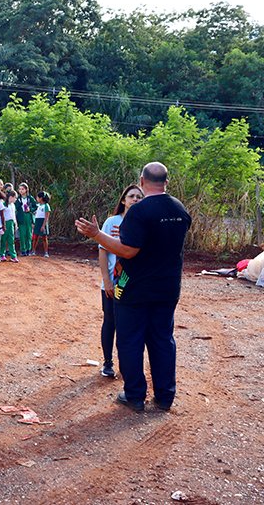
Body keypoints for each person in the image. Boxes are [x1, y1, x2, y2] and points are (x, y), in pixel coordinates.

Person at [76, 162, 191, 412]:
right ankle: (164, 397)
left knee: (130, 341)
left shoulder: (139, 212)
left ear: (141, 180)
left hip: (135, 290)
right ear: (167, 182)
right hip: (168, 288)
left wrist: (97, 234)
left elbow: (128, 251)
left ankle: (135, 395)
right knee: (162, 340)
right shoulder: (180, 209)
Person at [97, 185, 144, 379]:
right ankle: (108, 362)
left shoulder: (144, 224)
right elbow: (102, 250)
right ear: (123, 200)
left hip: (135, 284)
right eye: (131, 196)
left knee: (132, 327)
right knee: (110, 321)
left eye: (139, 197)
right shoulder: (112, 222)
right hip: (113, 283)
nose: (135, 199)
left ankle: (128, 367)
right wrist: (107, 281)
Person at [16, 183, 37, 256]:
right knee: (22, 234)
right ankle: (23, 249)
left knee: (29, 234)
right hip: (21, 217)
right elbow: (16, 207)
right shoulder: (18, 199)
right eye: (20, 189)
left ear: (26, 190)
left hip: (28, 216)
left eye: (23, 189)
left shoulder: (30, 198)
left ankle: (29, 249)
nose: (21, 191)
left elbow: (35, 206)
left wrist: (30, 209)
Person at [1, 189, 19, 263]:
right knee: (3, 239)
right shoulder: (4, 204)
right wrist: (3, 225)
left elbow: (13, 215)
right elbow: (2, 215)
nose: (16, 199)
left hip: (11, 223)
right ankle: (2, 254)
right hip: (5, 223)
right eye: (15, 197)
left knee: (11, 239)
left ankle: (13, 256)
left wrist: (15, 224)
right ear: (11, 197)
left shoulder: (13, 205)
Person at [32, 191, 51, 258]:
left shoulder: (46, 206)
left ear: (41, 198)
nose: (37, 198)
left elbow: (46, 216)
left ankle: (46, 252)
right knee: (35, 237)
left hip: (43, 222)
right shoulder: (38, 206)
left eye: (38, 197)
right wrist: (34, 223)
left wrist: (43, 225)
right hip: (37, 222)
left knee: (44, 238)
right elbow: (35, 214)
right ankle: (33, 250)